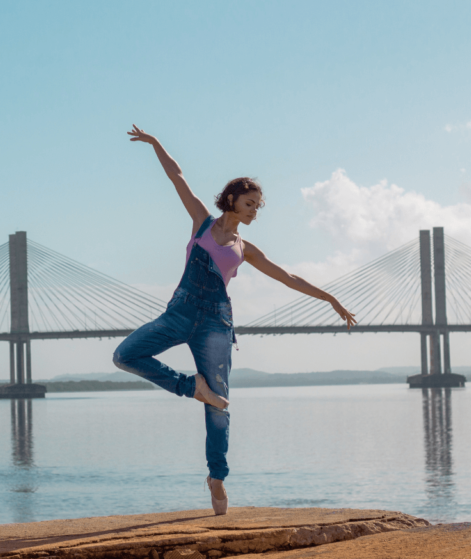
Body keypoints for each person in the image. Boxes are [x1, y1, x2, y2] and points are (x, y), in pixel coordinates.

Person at [113, 125, 357, 516]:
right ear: (231, 199)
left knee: (219, 406)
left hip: (215, 324)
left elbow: (288, 277)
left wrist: (330, 298)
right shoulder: (202, 223)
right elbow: (177, 177)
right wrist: (157, 143)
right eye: (250, 203)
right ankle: (189, 386)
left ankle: (217, 478)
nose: (255, 210)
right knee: (125, 355)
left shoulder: (246, 249)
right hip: (179, 314)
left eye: (259, 206)